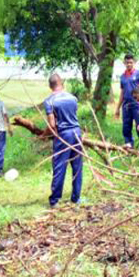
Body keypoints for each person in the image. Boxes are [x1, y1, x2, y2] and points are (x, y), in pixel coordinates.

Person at [43, 73, 83, 208]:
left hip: (63, 135)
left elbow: (52, 124)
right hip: (77, 132)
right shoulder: (73, 98)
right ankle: (76, 198)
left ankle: (55, 200)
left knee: (60, 166)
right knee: (77, 166)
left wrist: (44, 135)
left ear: (50, 86)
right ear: (62, 83)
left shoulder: (49, 101)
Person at [114, 54, 139, 150]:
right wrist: (117, 109)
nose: (129, 64)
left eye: (131, 62)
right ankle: (129, 146)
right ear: (124, 63)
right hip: (126, 106)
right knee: (126, 127)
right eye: (127, 62)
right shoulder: (122, 77)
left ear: (134, 63)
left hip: (137, 105)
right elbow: (122, 92)